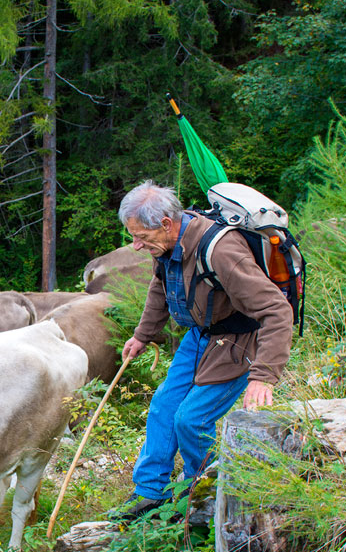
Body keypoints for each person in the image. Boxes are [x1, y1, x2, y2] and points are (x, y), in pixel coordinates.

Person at [113, 179, 293, 521]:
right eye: (132, 236)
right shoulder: (167, 246)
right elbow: (160, 287)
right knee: (164, 407)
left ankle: (203, 496)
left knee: (191, 420)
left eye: (141, 237)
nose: (135, 245)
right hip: (200, 336)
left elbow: (277, 310)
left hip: (238, 341)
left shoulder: (221, 251)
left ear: (166, 223)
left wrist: (264, 376)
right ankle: (151, 493)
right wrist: (143, 335)